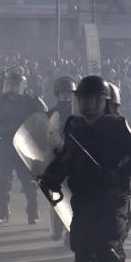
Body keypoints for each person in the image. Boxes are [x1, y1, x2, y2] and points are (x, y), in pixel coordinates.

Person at [40, 75, 131, 262]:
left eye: (90, 99)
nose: (85, 104)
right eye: (81, 99)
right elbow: (66, 158)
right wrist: (51, 178)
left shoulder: (120, 126)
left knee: (107, 253)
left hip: (112, 200)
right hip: (83, 201)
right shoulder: (75, 126)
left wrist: (117, 173)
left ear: (103, 100)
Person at [0, 72, 47, 224]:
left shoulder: (30, 102)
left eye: (15, 84)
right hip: (5, 143)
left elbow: (43, 117)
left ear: (22, 86)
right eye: (9, 84)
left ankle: (32, 212)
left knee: (28, 181)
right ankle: (4, 211)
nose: (11, 88)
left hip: (24, 143)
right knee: (2, 180)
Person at [46, 76, 75, 241]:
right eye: (63, 93)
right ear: (57, 94)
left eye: (69, 93)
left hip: (76, 160)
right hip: (56, 160)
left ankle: (72, 231)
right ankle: (57, 229)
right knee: (56, 196)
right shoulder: (50, 114)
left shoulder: (79, 113)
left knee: (76, 196)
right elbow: (43, 138)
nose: (66, 96)